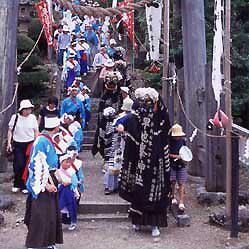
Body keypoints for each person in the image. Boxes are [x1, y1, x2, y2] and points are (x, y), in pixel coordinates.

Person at [118, 87, 171, 237]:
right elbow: (126, 124)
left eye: (149, 102)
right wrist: (122, 127)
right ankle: (137, 221)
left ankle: (155, 224)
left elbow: (166, 132)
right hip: (139, 162)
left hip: (156, 160)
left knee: (155, 191)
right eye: (144, 102)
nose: (146, 106)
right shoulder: (136, 116)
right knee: (138, 190)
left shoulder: (161, 116)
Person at [24, 116, 63, 249]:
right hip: (41, 180)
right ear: (56, 127)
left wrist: (58, 178)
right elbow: (37, 165)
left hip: (49, 176)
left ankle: (48, 242)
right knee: (40, 214)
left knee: (50, 214)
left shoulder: (48, 140)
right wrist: (46, 184)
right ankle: (35, 244)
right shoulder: (41, 141)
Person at [7, 99, 39, 194]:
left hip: (29, 143)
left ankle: (24, 185)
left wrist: (36, 142)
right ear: (22, 109)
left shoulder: (32, 118)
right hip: (18, 143)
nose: (28, 111)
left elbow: (36, 130)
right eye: (26, 109)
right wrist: (9, 143)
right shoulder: (15, 117)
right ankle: (17, 183)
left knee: (27, 165)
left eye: (29, 109)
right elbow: (10, 130)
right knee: (18, 164)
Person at [169, 123, 187, 211]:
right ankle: (172, 196)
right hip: (172, 164)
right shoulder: (169, 141)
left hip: (181, 163)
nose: (178, 137)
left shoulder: (183, 141)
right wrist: (175, 156)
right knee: (172, 181)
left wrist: (184, 156)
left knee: (181, 182)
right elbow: (166, 153)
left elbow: (185, 151)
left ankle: (181, 201)